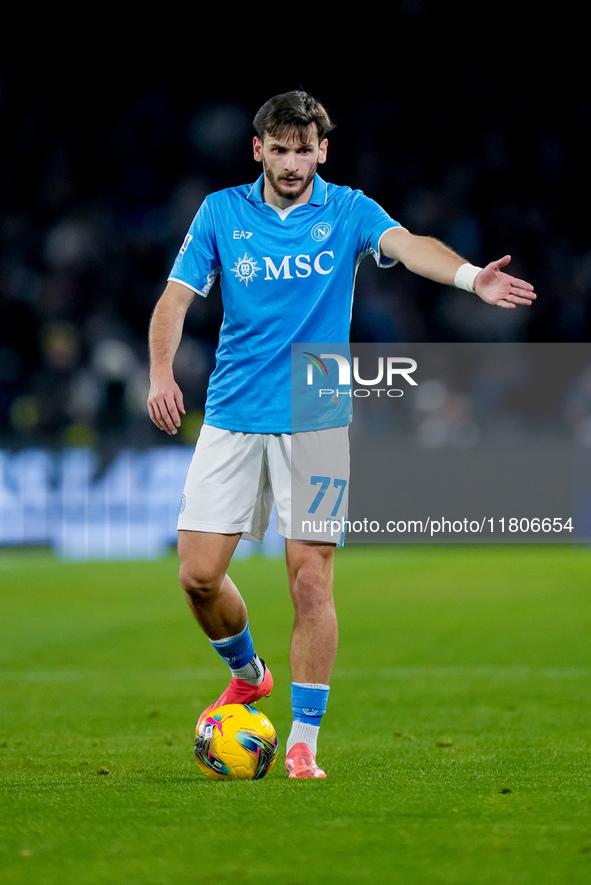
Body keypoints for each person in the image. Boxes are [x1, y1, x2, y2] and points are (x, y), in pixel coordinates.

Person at [147, 91, 536, 779]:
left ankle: (303, 739)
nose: (292, 161)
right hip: (234, 411)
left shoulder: (349, 209)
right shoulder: (220, 213)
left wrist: (471, 278)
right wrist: (159, 373)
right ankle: (249, 673)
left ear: (321, 150)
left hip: (316, 410)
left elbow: (407, 246)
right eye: (280, 147)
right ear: (257, 149)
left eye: (304, 148)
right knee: (198, 576)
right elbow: (173, 301)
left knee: (310, 581)